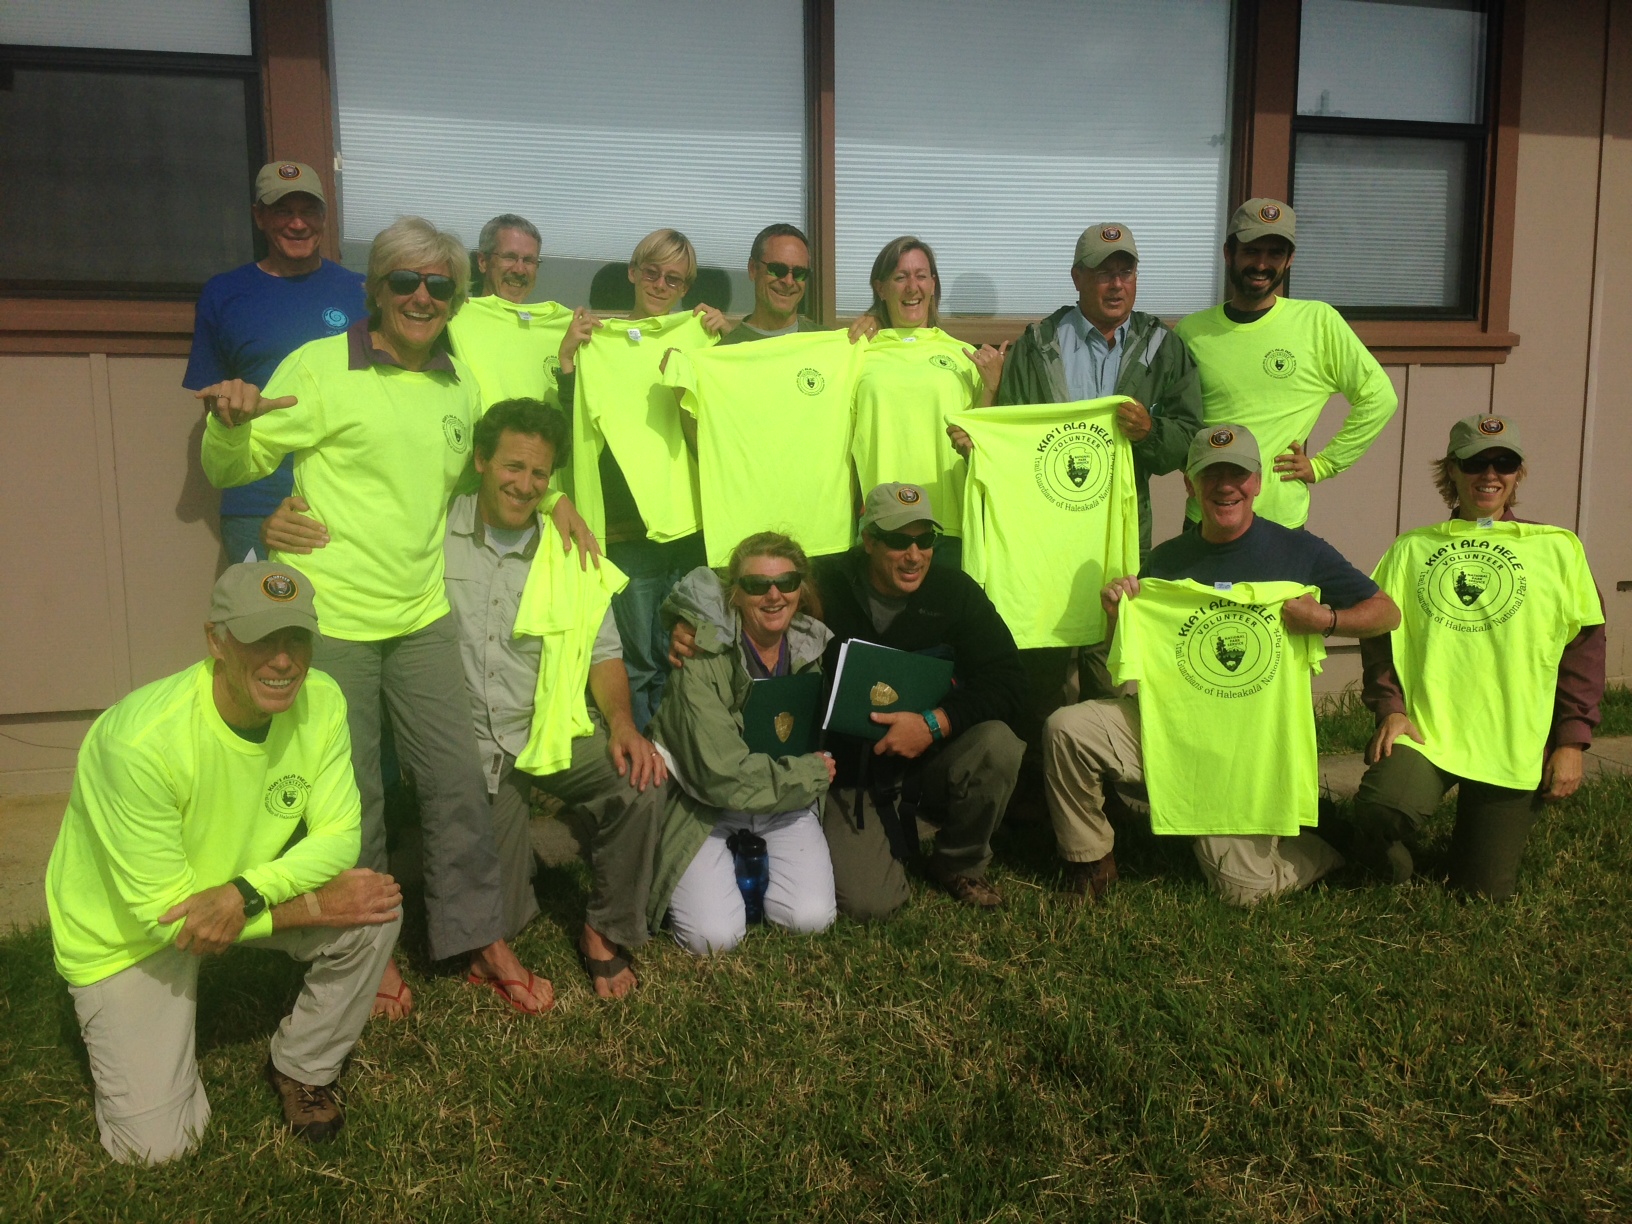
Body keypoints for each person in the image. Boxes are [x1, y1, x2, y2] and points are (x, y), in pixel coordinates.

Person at [198, 216, 549, 1018]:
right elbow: (238, 462)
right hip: (337, 621)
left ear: (457, 297)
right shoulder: (322, 367)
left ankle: (477, 936)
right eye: (405, 282)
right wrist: (229, 428)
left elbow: (488, 471)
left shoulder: (460, 380)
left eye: (439, 286)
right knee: (353, 797)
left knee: (457, 781)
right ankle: (371, 948)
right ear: (375, 290)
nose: (422, 298)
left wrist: (554, 503)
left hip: (422, 613)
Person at [263, 397, 668, 998]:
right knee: (495, 918)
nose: (524, 484)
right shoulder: (430, 534)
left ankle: (607, 931)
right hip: (474, 751)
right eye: (512, 467)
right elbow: (358, 528)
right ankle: (447, 860)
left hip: (549, 733)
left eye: (539, 475)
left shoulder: (569, 548)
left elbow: (601, 648)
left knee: (641, 782)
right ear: (480, 460)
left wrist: (622, 724)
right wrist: (277, 526)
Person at [44, 562, 402, 1163]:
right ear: (216, 640)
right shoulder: (138, 742)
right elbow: (171, 918)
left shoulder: (323, 700)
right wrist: (303, 905)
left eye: (296, 638)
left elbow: (341, 836)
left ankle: (303, 1067)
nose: (283, 660)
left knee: (373, 908)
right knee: (158, 1150)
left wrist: (242, 893)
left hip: (227, 895)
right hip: (131, 935)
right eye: (261, 639)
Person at [1043, 425, 1399, 903]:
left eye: (1237, 473)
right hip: (1171, 729)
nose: (1224, 485)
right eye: (1210, 475)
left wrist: (1326, 619)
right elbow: (1131, 662)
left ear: (1257, 482)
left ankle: (1324, 846)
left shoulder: (1300, 551)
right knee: (1067, 727)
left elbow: (1386, 612)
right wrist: (1117, 617)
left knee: (1242, 894)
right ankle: (1090, 862)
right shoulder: (1167, 561)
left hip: (1247, 756)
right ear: (1190, 485)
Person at [669, 483, 1028, 916]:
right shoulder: (827, 583)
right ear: (869, 540)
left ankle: (959, 862)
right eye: (898, 540)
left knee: (998, 744)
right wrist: (688, 621)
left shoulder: (956, 591)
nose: (914, 554)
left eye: (925, 539)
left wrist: (936, 723)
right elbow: (746, 584)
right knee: (870, 904)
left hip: (931, 752)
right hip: (851, 774)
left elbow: (1009, 678)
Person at [1350, 414, 1605, 899]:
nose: (1490, 474)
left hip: (1513, 739)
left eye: (1503, 462)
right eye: (1475, 462)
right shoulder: (1412, 548)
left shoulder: (1557, 549)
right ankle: (1380, 861)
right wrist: (1391, 708)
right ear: (1451, 471)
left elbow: (1583, 651)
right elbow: (1377, 638)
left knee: (1482, 893)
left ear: (1518, 474)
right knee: (1380, 813)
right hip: (1428, 731)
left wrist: (1572, 740)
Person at [555, 228, 730, 728]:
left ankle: (685, 754)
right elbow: (573, 428)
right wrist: (569, 361)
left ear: (685, 287)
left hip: (695, 525)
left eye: (673, 278)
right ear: (632, 274)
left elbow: (735, 412)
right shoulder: (599, 345)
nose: (660, 284)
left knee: (693, 653)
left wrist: (725, 337)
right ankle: (638, 766)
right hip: (630, 529)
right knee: (639, 658)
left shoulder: (701, 338)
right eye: (651, 272)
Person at [647, 533, 838, 954]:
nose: (774, 595)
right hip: (708, 807)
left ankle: (747, 870)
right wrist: (810, 774)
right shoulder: (698, 655)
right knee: (712, 939)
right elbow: (719, 775)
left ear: (800, 588)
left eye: (786, 582)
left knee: (811, 919)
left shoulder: (812, 647)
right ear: (735, 594)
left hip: (784, 803)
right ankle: (730, 871)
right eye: (757, 585)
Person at [1173, 198, 1398, 531]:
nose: (1262, 264)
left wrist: (1324, 465)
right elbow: (1172, 419)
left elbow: (1379, 398)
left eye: (1275, 254)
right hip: (1205, 518)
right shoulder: (1191, 331)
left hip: (1280, 524)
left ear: (1289, 259)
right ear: (1228, 254)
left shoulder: (1317, 322)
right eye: (1251, 251)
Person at [183, 161, 365, 564]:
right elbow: (212, 397)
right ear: (259, 217)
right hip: (256, 497)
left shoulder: (360, 293)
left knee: (341, 623)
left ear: (324, 216)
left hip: (345, 493)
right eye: (284, 211)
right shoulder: (225, 294)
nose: (298, 224)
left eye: (309, 211)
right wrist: (226, 405)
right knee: (266, 623)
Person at [990, 223, 1202, 562]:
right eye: (1104, 273)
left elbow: (1189, 438)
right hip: (1048, 528)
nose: (1117, 284)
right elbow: (1009, 438)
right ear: (1077, 278)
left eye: (1126, 272)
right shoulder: (1036, 345)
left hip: (1125, 529)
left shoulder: (1164, 346)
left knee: (1118, 614)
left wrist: (1150, 433)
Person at [851, 236, 1007, 573]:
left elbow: (983, 447)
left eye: (921, 276)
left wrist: (992, 386)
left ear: (933, 284)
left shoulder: (963, 356)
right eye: (900, 277)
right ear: (880, 288)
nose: (912, 287)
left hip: (945, 525)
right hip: (881, 525)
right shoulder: (856, 354)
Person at [722, 223, 821, 344]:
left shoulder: (830, 344)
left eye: (799, 273)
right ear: (753, 269)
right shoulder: (726, 351)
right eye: (777, 269)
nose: (788, 282)